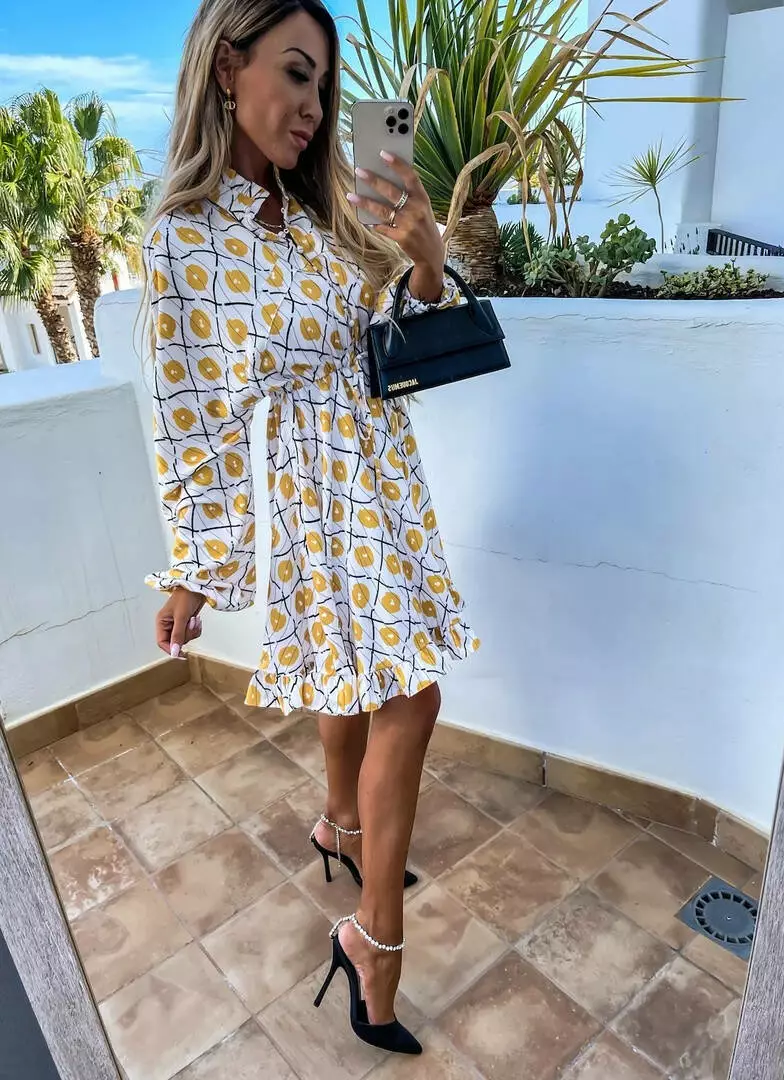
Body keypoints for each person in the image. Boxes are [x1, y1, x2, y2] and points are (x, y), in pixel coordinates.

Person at [142, 0, 479, 1056]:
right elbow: (190, 411)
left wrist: (424, 262)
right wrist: (195, 568)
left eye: (325, 86)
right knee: (411, 696)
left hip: (382, 472)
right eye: (296, 73)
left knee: (356, 680)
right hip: (316, 493)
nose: (316, 105)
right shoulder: (184, 239)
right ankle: (374, 942)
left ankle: (341, 822)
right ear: (226, 66)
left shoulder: (318, 215)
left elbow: (380, 343)